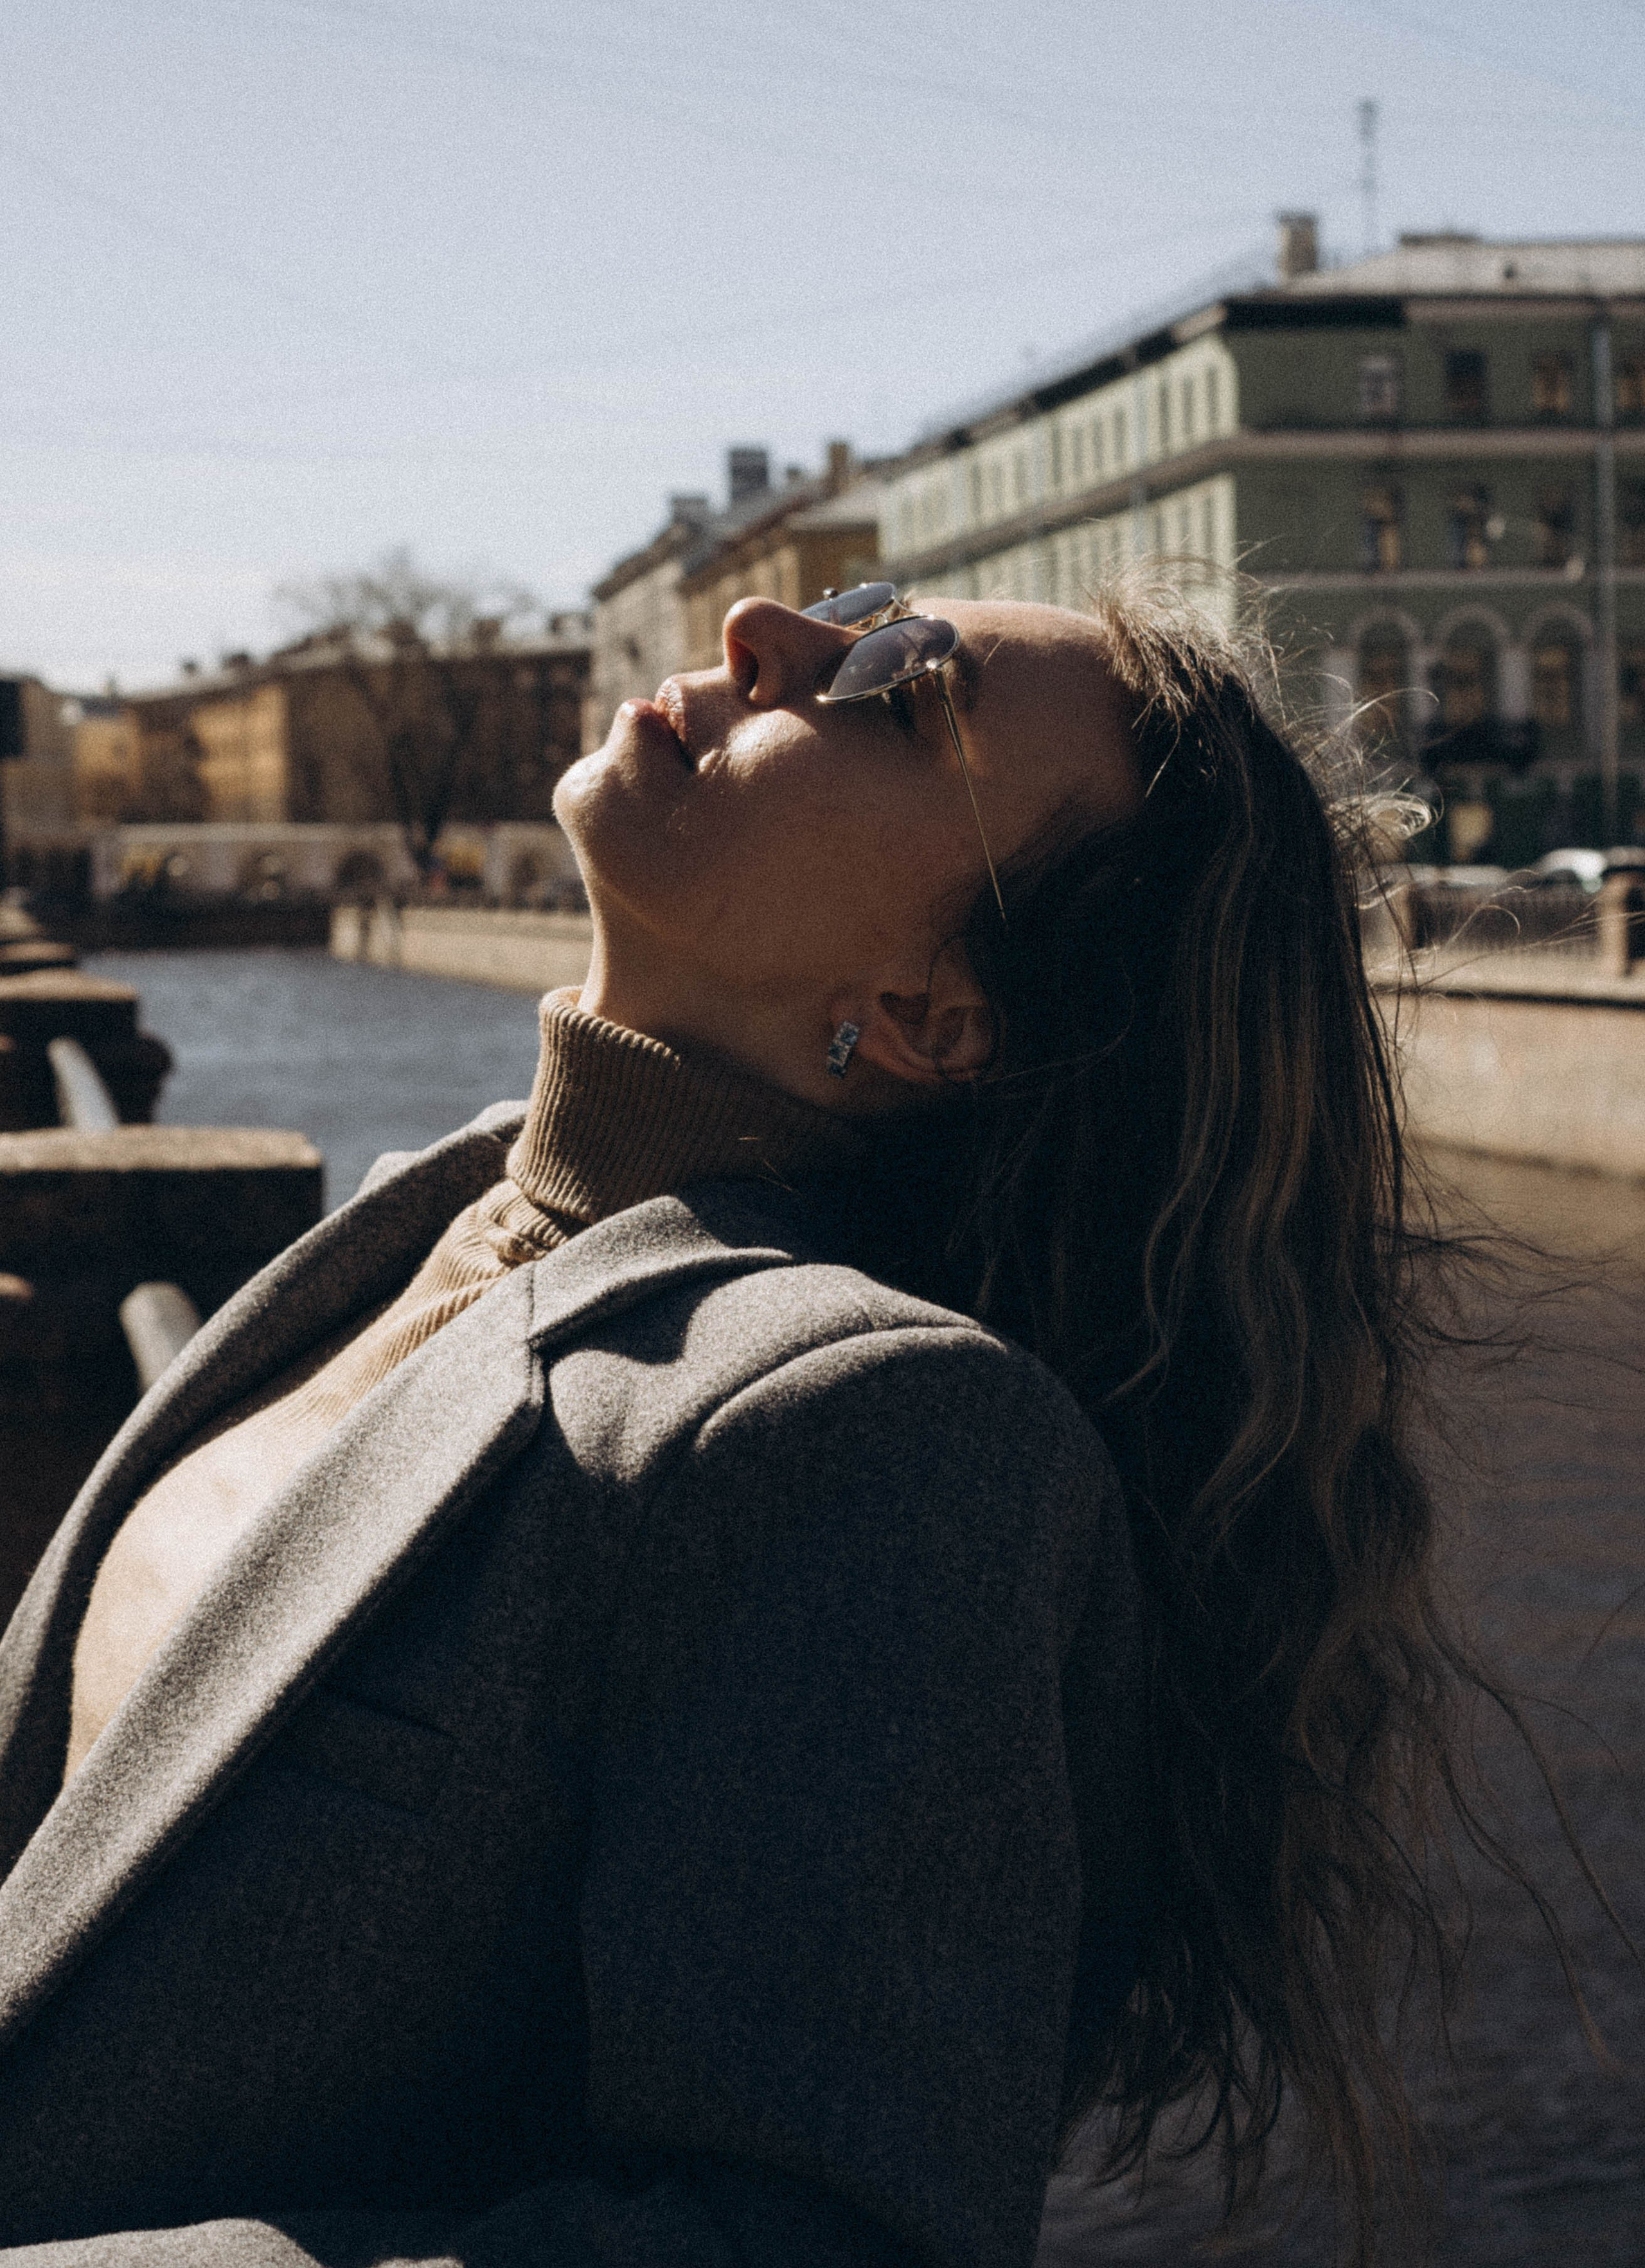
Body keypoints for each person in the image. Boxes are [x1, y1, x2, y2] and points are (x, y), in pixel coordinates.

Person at [0, 577, 1470, 2265]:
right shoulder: (433, 1214)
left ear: (930, 1016)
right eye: (857, 608)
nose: (764, 627)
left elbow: (812, 2238)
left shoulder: (888, 1434)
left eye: (901, 690)